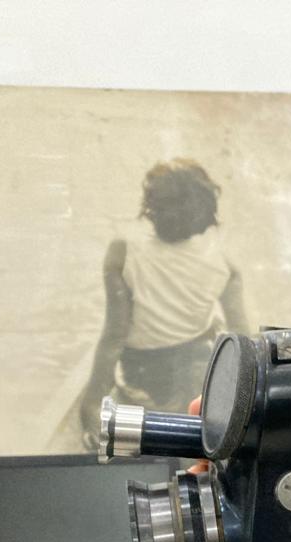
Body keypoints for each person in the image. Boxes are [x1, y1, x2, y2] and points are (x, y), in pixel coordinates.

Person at [76, 159, 248, 444]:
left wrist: (91, 405)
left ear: (151, 208)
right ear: (205, 210)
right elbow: (243, 339)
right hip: (198, 374)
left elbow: (114, 336)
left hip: (143, 376)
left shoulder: (124, 252)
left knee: (134, 433)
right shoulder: (224, 262)